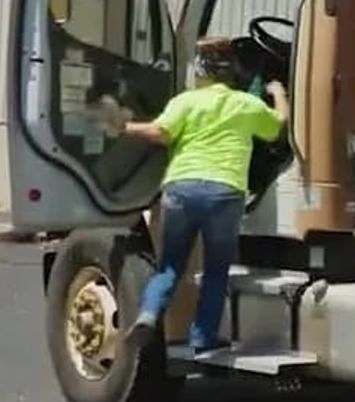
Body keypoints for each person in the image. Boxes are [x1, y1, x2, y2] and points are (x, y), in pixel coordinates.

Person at [106, 37, 289, 356]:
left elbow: (159, 133)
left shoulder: (185, 102)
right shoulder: (245, 103)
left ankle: (148, 315)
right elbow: (277, 127)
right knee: (216, 271)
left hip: (181, 189)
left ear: (201, 73)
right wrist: (279, 93)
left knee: (170, 267)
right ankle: (203, 337)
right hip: (225, 192)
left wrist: (125, 127)